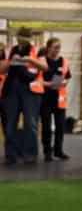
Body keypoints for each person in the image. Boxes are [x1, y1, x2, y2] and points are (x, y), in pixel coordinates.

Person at [3, 27, 47, 166]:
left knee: (31, 124)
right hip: (12, 90)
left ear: (30, 38)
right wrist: (10, 62)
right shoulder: (10, 50)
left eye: (25, 37)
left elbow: (45, 67)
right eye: (21, 36)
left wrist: (30, 60)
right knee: (10, 124)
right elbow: (2, 68)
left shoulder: (38, 50)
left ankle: (30, 154)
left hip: (30, 91)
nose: (22, 39)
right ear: (17, 37)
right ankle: (11, 155)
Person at [39, 37, 72, 161]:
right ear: (48, 48)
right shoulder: (41, 60)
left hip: (60, 99)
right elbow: (37, 78)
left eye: (59, 47)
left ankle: (58, 151)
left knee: (60, 126)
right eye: (55, 47)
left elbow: (68, 76)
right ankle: (47, 151)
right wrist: (48, 84)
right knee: (46, 127)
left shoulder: (63, 61)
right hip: (45, 98)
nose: (57, 50)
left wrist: (64, 82)